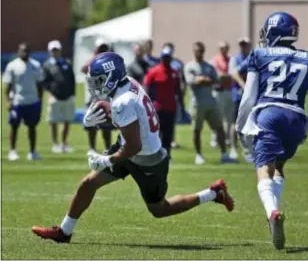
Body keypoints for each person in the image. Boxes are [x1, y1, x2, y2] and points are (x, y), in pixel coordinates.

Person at [31, 52, 235, 243]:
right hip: (132, 145)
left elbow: (134, 145)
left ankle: (213, 193)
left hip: (148, 159)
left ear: (111, 76)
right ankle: (64, 232)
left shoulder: (122, 102)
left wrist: (106, 159)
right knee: (88, 183)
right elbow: (132, 120)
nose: (95, 85)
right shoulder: (127, 83)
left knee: (159, 209)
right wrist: (105, 114)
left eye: (99, 80)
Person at [236, 12, 308, 250]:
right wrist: (306, 127)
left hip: (269, 114)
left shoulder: (259, 54)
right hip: (296, 116)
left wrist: (239, 124)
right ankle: (274, 209)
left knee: (263, 168)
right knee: (279, 167)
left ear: (273, 31)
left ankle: (272, 212)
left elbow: (248, 97)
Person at [184, 42, 234, 165]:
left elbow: (216, 81)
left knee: (219, 128)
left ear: (203, 51)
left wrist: (202, 80)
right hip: (197, 103)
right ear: (193, 51)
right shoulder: (189, 66)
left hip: (211, 101)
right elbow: (191, 82)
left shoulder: (208, 66)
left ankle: (224, 154)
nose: (198, 53)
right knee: (197, 130)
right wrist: (204, 80)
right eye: (196, 51)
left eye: (200, 51)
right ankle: (199, 155)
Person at [3, 43, 44, 161]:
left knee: (32, 127)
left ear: (30, 52)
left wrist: (40, 100)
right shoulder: (12, 66)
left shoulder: (36, 65)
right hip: (17, 102)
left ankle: (32, 152)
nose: (24, 53)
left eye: (26, 51)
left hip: (32, 101)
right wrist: (8, 101)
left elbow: (39, 84)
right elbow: (8, 86)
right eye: (22, 51)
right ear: (18, 51)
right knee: (14, 127)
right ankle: (12, 151)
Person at [143, 46, 185, 156]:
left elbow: (178, 91)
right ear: (161, 58)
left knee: (168, 134)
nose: (166, 59)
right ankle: (156, 156)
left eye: (168, 57)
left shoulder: (174, 72)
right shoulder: (154, 72)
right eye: (164, 57)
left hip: (171, 108)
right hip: (157, 108)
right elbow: (146, 89)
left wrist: (182, 106)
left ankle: (167, 156)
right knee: (156, 134)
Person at [81, 38, 113, 155]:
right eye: (101, 48)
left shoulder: (109, 62)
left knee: (107, 126)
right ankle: (92, 148)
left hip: (105, 98)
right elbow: (83, 69)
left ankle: (108, 148)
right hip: (92, 98)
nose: (102, 50)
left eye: (104, 48)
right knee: (92, 125)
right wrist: (96, 57)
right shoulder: (91, 61)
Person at [43, 40, 76, 153]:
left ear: (60, 50)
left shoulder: (67, 62)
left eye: (56, 50)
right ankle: (55, 144)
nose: (55, 52)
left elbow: (72, 79)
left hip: (68, 96)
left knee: (67, 121)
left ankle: (64, 143)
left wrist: (73, 94)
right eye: (53, 50)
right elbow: (45, 82)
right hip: (54, 97)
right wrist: (50, 93)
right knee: (53, 121)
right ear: (49, 51)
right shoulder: (47, 65)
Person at [229, 37, 253, 162]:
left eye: (245, 45)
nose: (243, 47)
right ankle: (233, 147)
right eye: (241, 45)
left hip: (251, 96)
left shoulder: (253, 58)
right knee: (235, 123)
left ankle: (248, 149)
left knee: (250, 123)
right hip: (238, 95)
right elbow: (233, 73)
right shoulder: (235, 59)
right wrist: (243, 85)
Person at [161, 42, 185, 149]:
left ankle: (172, 140)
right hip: (161, 99)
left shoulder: (178, 64)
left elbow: (181, 79)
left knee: (172, 121)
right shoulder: (157, 65)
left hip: (173, 96)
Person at [210, 41, 233, 149]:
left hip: (229, 91)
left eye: (225, 48)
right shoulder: (215, 60)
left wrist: (228, 76)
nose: (223, 50)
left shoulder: (231, 59)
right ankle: (215, 139)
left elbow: (234, 73)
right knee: (218, 117)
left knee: (228, 118)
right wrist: (228, 75)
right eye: (221, 48)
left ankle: (227, 138)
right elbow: (218, 76)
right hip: (218, 91)